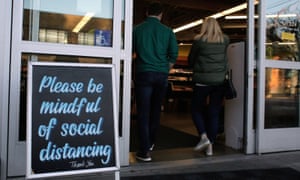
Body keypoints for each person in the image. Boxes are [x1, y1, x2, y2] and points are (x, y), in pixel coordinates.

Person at [132, 2, 178, 162]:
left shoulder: (136, 29)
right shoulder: (168, 31)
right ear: (161, 15)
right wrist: (165, 69)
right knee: (156, 111)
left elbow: (129, 51)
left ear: (146, 12)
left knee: (143, 113)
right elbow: (173, 55)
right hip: (161, 76)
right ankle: (151, 142)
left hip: (144, 74)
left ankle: (144, 151)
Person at [188, 17, 230, 156]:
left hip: (202, 81)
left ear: (204, 27)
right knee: (214, 112)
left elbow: (191, 60)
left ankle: (204, 137)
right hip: (219, 82)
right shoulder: (225, 40)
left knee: (195, 109)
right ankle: (210, 146)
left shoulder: (199, 40)